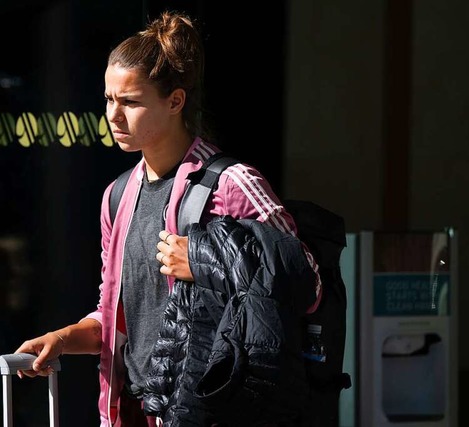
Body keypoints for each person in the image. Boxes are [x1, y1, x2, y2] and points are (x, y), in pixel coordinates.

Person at [14, 11, 320, 427]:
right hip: (134, 411)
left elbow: (307, 281)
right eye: (109, 99)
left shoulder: (231, 183)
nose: (114, 116)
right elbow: (117, 316)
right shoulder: (118, 196)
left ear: (175, 101)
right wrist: (62, 340)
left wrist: (203, 261)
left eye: (131, 102)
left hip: (212, 410)